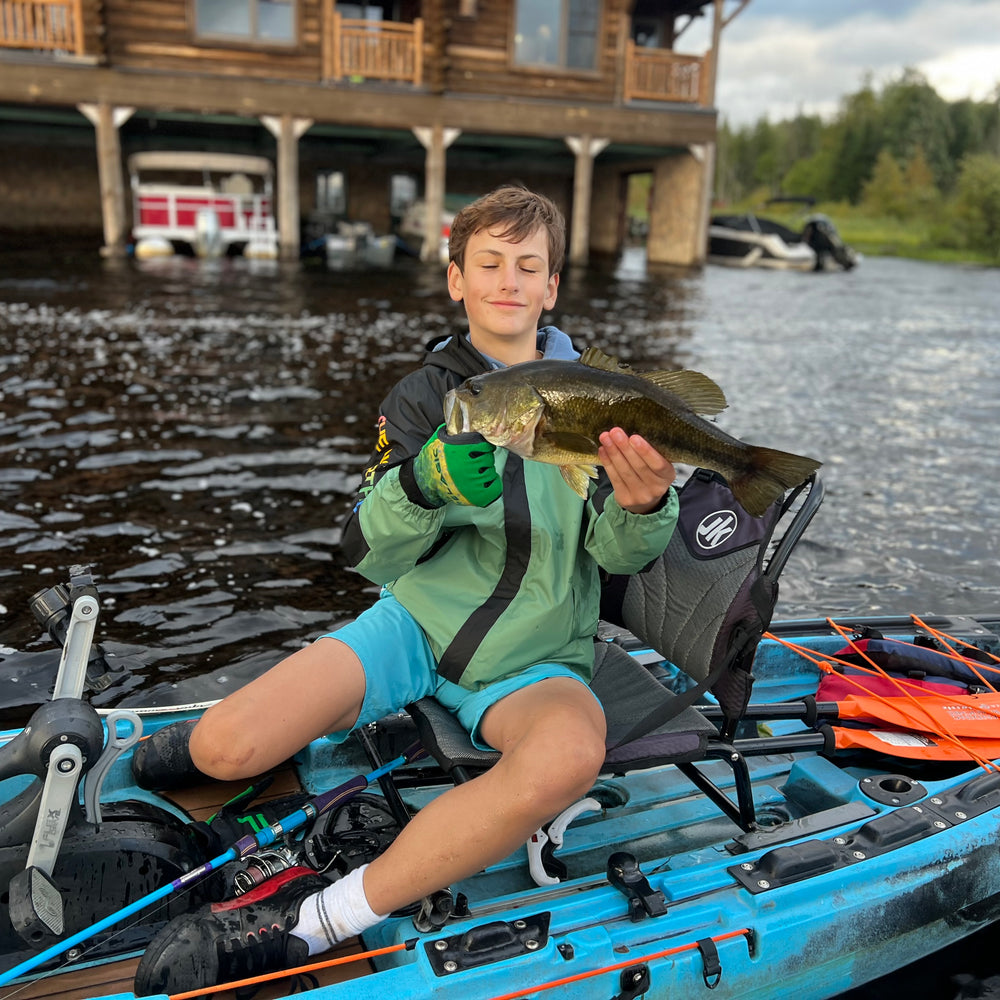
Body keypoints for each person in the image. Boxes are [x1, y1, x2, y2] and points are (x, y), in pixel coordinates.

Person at [133, 184, 679, 994]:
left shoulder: (596, 401)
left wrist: (646, 506)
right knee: (222, 750)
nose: (508, 280)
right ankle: (211, 741)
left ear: (552, 287)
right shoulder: (425, 398)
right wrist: (422, 485)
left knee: (570, 752)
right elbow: (364, 548)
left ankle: (319, 921)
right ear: (456, 278)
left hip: (534, 662)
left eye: (529, 266)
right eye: (488, 262)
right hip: (414, 627)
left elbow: (618, 554)